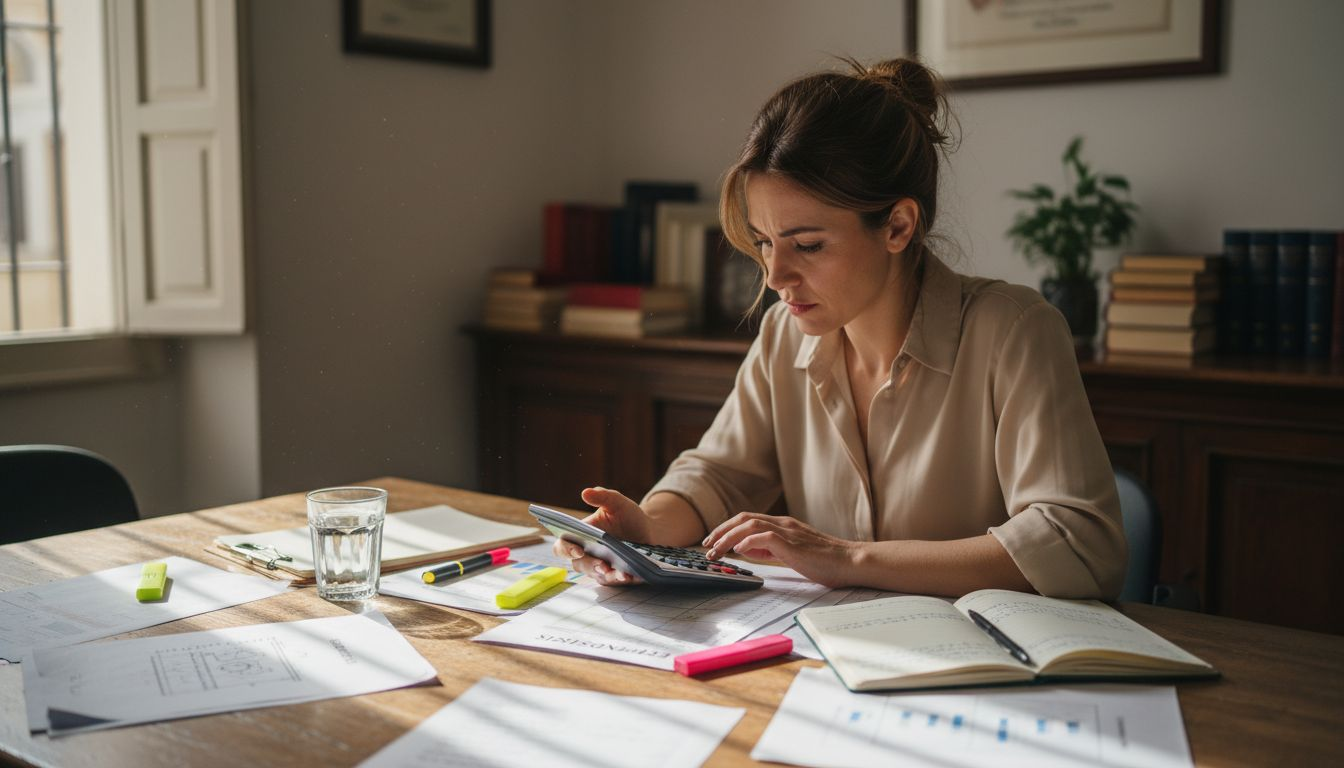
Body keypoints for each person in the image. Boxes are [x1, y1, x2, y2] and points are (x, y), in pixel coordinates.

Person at [555, 57, 1126, 600]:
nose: (776, 275)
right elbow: (719, 476)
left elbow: (1079, 543)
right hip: (829, 659)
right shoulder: (784, 336)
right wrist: (646, 530)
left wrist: (846, 559)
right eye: (764, 243)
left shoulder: (1015, 332)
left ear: (899, 226)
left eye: (808, 245)